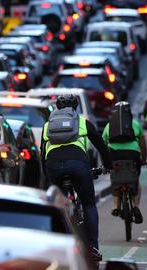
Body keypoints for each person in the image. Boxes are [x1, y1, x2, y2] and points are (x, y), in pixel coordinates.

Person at [40, 94, 112, 262]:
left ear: (57, 108)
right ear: (76, 108)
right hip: (78, 165)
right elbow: (101, 145)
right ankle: (93, 247)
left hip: (54, 166)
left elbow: (42, 155)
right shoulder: (82, 123)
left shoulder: (47, 126)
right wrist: (108, 164)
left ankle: (56, 246)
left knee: (57, 207)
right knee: (88, 204)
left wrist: (47, 176)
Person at [102, 101, 147, 224]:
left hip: (114, 155)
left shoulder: (109, 125)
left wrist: (105, 164)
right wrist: (143, 159)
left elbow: (103, 145)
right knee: (136, 181)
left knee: (115, 179)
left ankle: (116, 207)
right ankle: (136, 206)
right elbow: (142, 144)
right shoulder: (135, 124)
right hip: (132, 155)